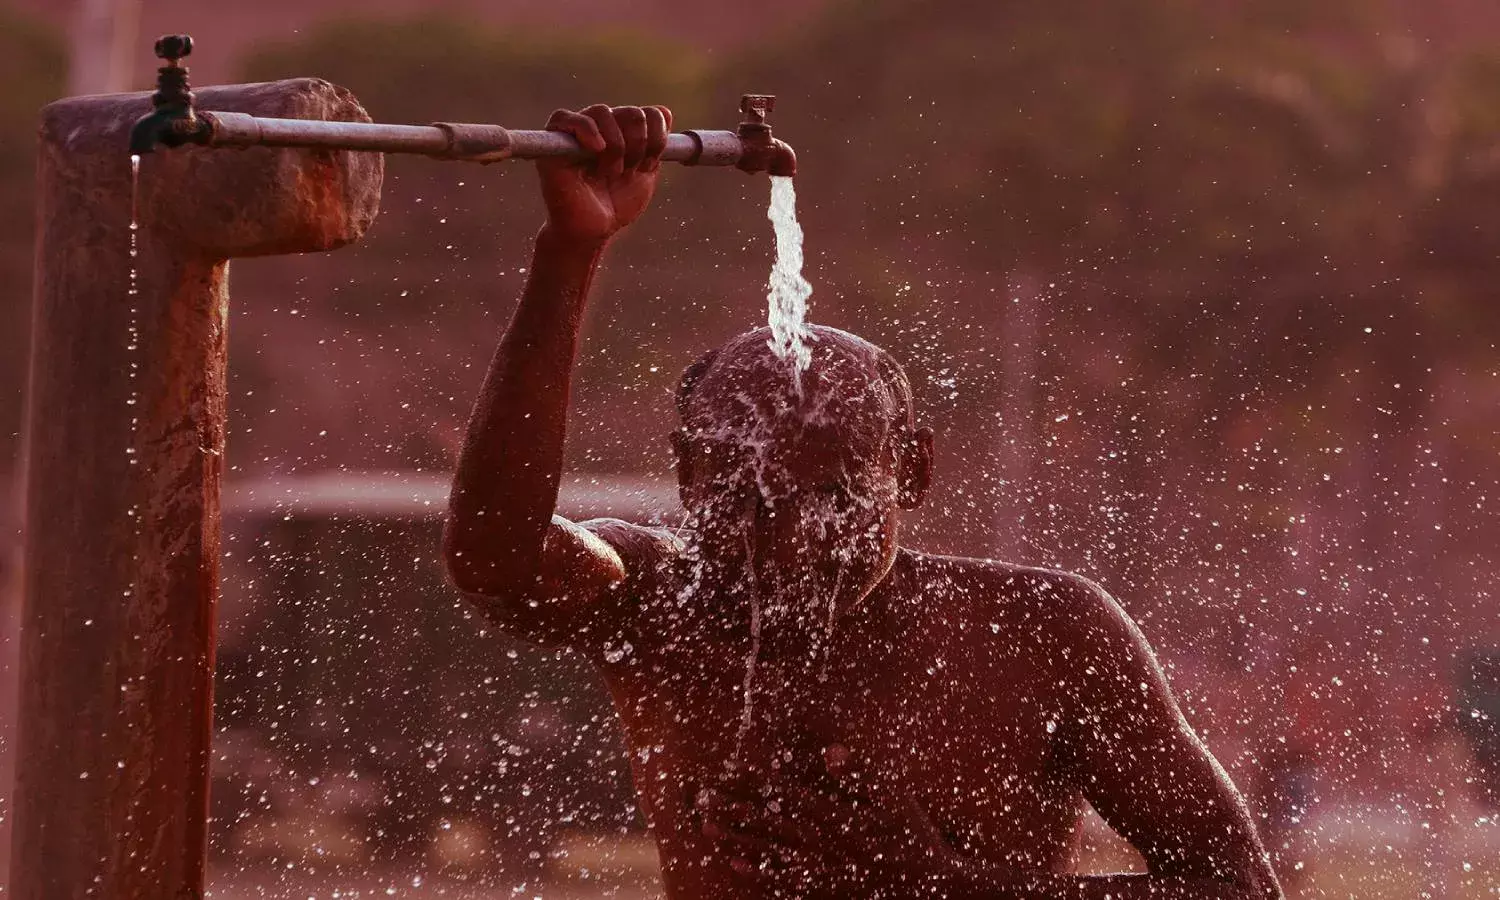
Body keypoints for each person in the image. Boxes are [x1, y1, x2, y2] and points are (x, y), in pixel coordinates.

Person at [443, 103, 1283, 900]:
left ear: (912, 472)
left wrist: (940, 884)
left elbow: (1238, 887)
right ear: (688, 477)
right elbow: (494, 556)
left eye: (832, 499)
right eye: (743, 501)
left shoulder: (1043, 633)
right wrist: (570, 251)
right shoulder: (661, 601)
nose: (785, 545)